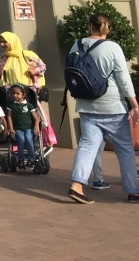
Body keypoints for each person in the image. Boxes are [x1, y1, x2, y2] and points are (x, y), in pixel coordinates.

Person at [67, 12, 139, 204]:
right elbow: (123, 79)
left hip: (86, 105)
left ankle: (76, 186)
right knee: (124, 149)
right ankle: (133, 190)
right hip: (112, 106)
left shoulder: (77, 44)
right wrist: (134, 104)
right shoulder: (112, 47)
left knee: (87, 146)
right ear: (109, 28)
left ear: (90, 26)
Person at [7, 84, 40, 166]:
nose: (15, 95)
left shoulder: (29, 105)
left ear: (23, 95)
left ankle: (31, 158)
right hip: (18, 128)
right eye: (13, 93)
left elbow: (36, 118)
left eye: (17, 93)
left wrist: (36, 127)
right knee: (21, 139)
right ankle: (20, 159)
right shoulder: (12, 106)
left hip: (29, 128)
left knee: (29, 138)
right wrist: (11, 128)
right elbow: (9, 118)